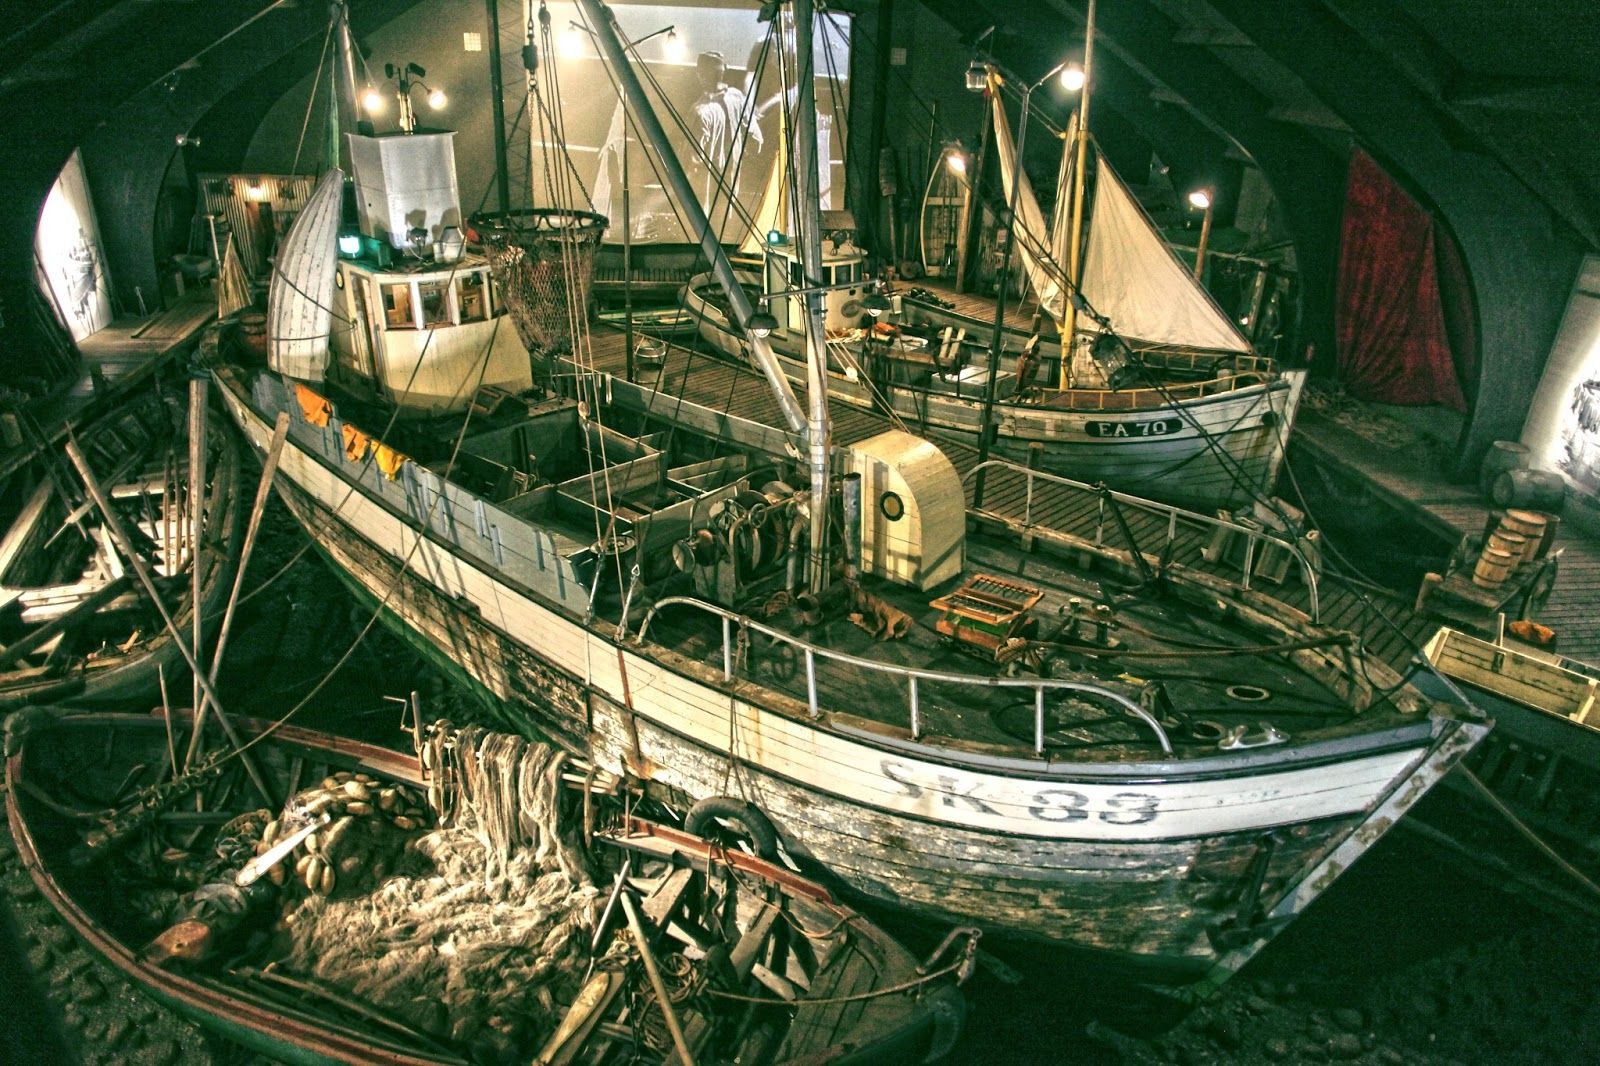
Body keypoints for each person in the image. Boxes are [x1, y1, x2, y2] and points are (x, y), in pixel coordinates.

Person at [690, 51, 762, 208]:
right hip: (732, 183)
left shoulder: (699, 112)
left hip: (703, 192)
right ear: (724, 70)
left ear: (700, 74)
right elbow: (756, 141)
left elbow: (692, 160)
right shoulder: (737, 98)